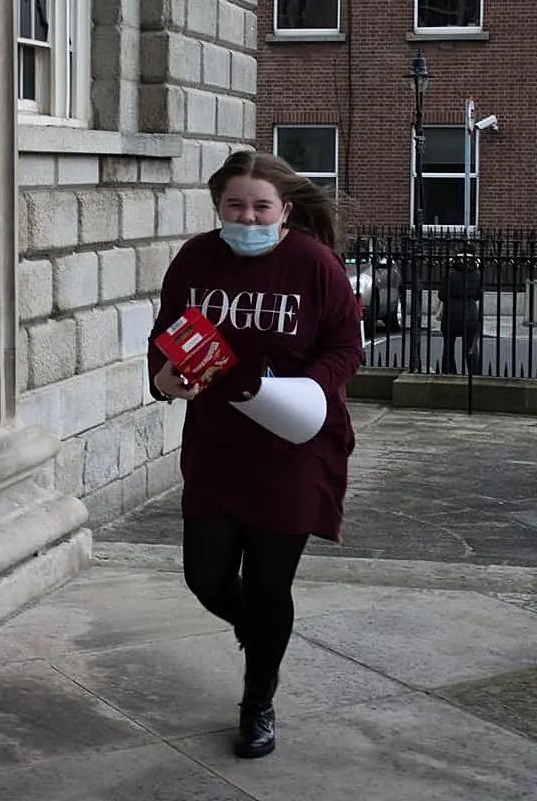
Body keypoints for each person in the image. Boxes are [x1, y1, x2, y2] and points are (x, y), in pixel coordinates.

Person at [147, 151, 363, 759]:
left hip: (294, 444)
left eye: (260, 206)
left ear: (284, 210)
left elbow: (347, 347)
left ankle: (258, 702)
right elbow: (168, 330)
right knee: (206, 576)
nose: (247, 216)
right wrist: (164, 378)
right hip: (217, 442)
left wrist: (305, 388)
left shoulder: (314, 264)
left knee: (271, 585)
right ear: (218, 208)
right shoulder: (195, 257)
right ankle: (258, 631)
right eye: (234, 205)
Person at [437, 247, 483, 375]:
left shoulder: (450, 273)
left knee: (448, 347)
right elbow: (479, 294)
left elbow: (442, 295)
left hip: (451, 315)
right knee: (471, 347)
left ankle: (449, 373)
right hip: (471, 314)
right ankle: (475, 375)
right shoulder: (476, 273)